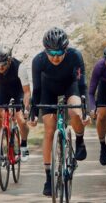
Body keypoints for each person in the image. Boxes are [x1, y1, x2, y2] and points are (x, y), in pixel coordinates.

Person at [31, 27, 91, 196]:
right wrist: (33, 113)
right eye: (51, 53)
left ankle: (79, 140)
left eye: (59, 52)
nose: (56, 57)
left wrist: (85, 112)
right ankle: (49, 178)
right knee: (49, 130)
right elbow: (36, 91)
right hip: (47, 89)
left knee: (75, 111)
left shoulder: (75, 56)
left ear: (66, 49)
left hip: (70, 86)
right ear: (45, 50)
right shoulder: (38, 61)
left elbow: (82, 86)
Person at [0, 44, 31, 165]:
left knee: (20, 118)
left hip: (19, 90)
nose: (0, 67)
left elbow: (27, 92)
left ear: (9, 60)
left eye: (3, 64)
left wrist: (26, 108)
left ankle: (23, 145)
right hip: (3, 90)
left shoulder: (20, 67)